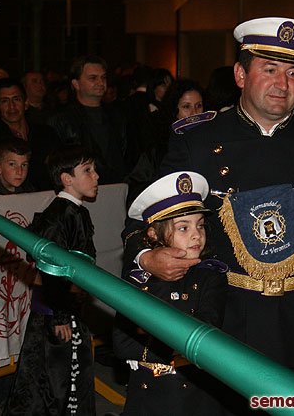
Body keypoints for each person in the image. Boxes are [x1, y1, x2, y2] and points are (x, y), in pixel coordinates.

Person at [123, 17, 294, 405]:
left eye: (293, 73)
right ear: (241, 74)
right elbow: (144, 221)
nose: (283, 84)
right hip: (225, 322)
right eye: (269, 70)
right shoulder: (197, 140)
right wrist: (148, 255)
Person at [113, 171, 227, 415]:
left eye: (200, 225)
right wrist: (175, 347)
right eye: (183, 228)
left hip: (198, 396)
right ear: (153, 234)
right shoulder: (139, 279)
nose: (196, 234)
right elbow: (123, 343)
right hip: (148, 395)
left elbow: (207, 332)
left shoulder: (211, 276)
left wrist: (159, 343)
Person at [4, 145, 98, 416]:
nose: (96, 177)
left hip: (69, 307)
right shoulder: (59, 214)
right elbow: (50, 266)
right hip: (56, 312)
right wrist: (59, 317)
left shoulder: (76, 211)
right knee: (54, 382)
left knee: (59, 378)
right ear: (67, 178)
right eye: (88, 171)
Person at [47, 55, 128, 184]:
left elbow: (125, 152)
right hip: (79, 188)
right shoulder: (61, 119)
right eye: (93, 78)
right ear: (76, 84)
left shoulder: (118, 115)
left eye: (103, 78)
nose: (101, 83)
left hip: (117, 186)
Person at [0, 78, 61, 191]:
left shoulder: (46, 133)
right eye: (4, 101)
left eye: (16, 99)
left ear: (26, 103)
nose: (12, 106)